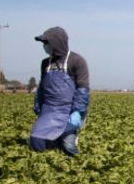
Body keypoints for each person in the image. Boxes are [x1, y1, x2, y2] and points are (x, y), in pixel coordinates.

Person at [29, 27, 89, 155]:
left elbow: (82, 89)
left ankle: (68, 136)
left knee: (69, 148)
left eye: (46, 43)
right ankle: (55, 139)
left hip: (69, 111)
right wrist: (38, 105)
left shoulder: (77, 60)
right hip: (49, 111)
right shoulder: (45, 63)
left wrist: (77, 112)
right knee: (36, 142)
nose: (45, 46)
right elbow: (42, 87)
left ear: (57, 42)